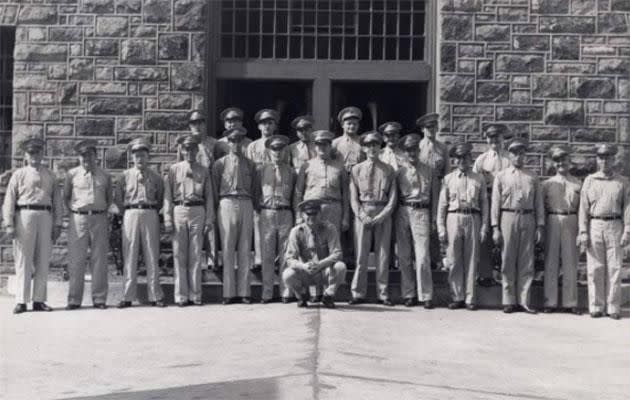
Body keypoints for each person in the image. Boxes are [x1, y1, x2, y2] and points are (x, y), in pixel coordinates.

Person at [2, 138, 62, 314]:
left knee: (43, 259)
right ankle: (21, 300)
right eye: (31, 153)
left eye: (38, 152)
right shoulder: (19, 174)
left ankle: (39, 300)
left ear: (42, 154)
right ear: (26, 156)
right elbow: (9, 201)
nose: (35, 156)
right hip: (24, 216)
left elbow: (57, 201)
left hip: (45, 215)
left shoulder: (50, 175)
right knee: (23, 259)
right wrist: (9, 224)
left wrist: (58, 223)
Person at [294, 129, 350, 302]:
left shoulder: (339, 166)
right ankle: (315, 292)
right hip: (311, 209)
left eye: (325, 144)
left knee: (330, 248)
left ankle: (328, 292)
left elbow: (346, 193)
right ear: (315, 146)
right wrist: (298, 215)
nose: (322, 148)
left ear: (330, 146)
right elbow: (298, 192)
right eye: (318, 144)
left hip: (333, 207)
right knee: (311, 248)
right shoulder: (307, 165)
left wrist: (346, 216)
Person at [491, 138, 544, 314]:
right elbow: (495, 204)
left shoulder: (533, 177)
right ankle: (508, 300)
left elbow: (539, 204)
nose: (518, 157)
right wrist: (495, 227)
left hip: (528, 218)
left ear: (525, 155)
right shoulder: (501, 176)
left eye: (522, 153)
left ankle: (523, 300)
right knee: (508, 259)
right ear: (510, 155)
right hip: (507, 217)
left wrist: (540, 226)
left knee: (526, 261)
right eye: (515, 153)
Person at [578, 143, 630, 320]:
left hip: (615, 225)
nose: (604, 160)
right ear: (597, 160)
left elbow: (627, 208)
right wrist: (583, 231)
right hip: (595, 225)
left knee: (615, 268)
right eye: (601, 157)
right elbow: (583, 209)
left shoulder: (622, 182)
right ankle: (596, 306)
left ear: (613, 159)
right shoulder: (590, 180)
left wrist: (627, 231)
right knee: (595, 268)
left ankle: (613, 307)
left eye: (608, 157)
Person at [164, 135, 215, 307]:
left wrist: (209, 219)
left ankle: (196, 295)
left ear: (197, 151)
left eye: (192, 149)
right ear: (182, 151)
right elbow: (167, 197)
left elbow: (209, 197)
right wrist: (168, 218)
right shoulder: (173, 170)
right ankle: (181, 296)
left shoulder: (204, 170)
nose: (189, 152)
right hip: (179, 209)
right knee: (179, 254)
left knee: (195, 254)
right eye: (186, 149)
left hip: (197, 210)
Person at [437, 142, 488, 311]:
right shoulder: (448, 179)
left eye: (465, 157)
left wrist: (484, 227)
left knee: (472, 259)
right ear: (454, 160)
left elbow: (484, 204)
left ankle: (470, 298)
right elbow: (442, 206)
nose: (462, 161)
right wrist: (441, 228)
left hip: (473, 217)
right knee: (454, 259)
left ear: (470, 158)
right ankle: (456, 296)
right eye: (458, 158)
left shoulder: (478, 178)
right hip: (454, 218)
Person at [116, 138, 166, 308]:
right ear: (132, 157)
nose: (140, 159)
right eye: (136, 156)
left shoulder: (156, 177)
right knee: (129, 254)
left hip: (150, 212)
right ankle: (127, 296)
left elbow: (160, 199)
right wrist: (126, 213)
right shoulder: (124, 176)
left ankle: (155, 295)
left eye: (143, 155)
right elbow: (118, 198)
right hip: (130, 213)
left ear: (148, 157)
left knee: (152, 254)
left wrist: (153, 210)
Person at [348, 132, 397, 306]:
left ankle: (382, 293)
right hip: (363, 211)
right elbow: (353, 197)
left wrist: (383, 215)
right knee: (361, 255)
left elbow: (393, 198)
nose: (372, 149)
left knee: (382, 255)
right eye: (368, 146)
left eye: (375, 145)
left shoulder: (388, 170)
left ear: (380, 147)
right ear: (363, 148)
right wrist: (361, 215)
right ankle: (357, 293)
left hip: (382, 211)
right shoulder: (356, 169)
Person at [64, 139, 113, 310]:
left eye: (90, 155)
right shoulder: (72, 175)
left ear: (96, 156)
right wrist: (75, 210)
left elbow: (110, 198)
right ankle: (74, 299)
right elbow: (66, 197)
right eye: (83, 156)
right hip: (79, 219)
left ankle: (99, 298)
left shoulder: (105, 175)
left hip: (99, 218)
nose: (87, 159)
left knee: (99, 259)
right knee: (76, 259)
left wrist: (102, 211)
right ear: (79, 157)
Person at [213, 127, 256, 304]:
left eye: (239, 141)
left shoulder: (250, 164)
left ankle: (244, 291)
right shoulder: (219, 164)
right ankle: (228, 292)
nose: (236, 144)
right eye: (232, 141)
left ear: (243, 143)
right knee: (228, 247)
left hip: (246, 201)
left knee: (245, 247)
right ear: (228, 143)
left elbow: (254, 186)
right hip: (227, 202)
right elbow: (215, 189)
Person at [254, 135, 296, 303]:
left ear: (285, 151)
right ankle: (267, 292)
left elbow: (295, 194)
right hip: (268, 212)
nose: (277, 152)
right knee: (267, 254)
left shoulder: (291, 171)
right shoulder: (260, 170)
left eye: (280, 149)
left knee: (286, 254)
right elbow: (255, 191)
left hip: (285, 213)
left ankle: (286, 291)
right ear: (269, 151)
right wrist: (262, 209)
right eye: (274, 149)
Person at [283, 199, 347, 308]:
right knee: (288, 274)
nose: (311, 217)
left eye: (314, 214)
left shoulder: (329, 228)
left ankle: (328, 295)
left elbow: (337, 253)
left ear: (320, 214)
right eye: (308, 214)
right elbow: (289, 258)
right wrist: (303, 266)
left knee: (340, 267)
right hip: (306, 271)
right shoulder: (296, 231)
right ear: (303, 215)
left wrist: (320, 264)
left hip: (324, 270)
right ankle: (302, 295)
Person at [541, 145, 582, 315]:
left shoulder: (578, 183)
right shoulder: (547, 184)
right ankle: (549, 301)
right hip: (552, 219)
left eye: (563, 160)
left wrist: (582, 230)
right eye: (557, 161)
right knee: (550, 261)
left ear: (569, 161)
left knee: (570, 261)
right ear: (553, 164)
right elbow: (541, 207)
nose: (560, 164)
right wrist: (541, 228)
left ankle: (570, 302)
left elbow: (582, 208)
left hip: (571, 219)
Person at [395, 133, 434, 308]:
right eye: (408, 150)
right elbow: (394, 196)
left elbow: (436, 196)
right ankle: (408, 293)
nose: (411, 153)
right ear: (403, 152)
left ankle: (425, 295)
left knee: (423, 255)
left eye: (414, 149)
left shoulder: (429, 170)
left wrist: (434, 219)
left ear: (419, 150)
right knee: (404, 255)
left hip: (422, 211)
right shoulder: (399, 172)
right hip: (403, 211)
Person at [247, 109, 288, 269]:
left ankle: (278, 257)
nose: (267, 127)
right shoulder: (253, 146)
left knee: (278, 227)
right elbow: (250, 171)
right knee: (258, 224)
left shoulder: (281, 145)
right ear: (259, 127)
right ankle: (259, 258)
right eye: (264, 123)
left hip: (277, 188)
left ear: (275, 126)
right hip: (260, 187)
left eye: (270, 123)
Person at [179, 110, 219, 269]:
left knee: (211, 220)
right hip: (191, 187)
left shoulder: (213, 143)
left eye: (200, 122)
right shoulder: (184, 143)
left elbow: (217, 165)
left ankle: (212, 258)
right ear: (190, 125)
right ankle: (192, 258)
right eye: (194, 123)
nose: (197, 126)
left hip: (208, 184)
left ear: (204, 125)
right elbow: (180, 166)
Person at [473, 124, 511, 286]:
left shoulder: (509, 158)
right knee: (485, 237)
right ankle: (485, 274)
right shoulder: (481, 160)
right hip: (487, 199)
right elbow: (475, 182)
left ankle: (506, 275)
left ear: (502, 138)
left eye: (497, 137)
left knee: (506, 237)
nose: (494, 140)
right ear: (487, 139)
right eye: (491, 137)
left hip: (505, 201)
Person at [416, 112, 449, 271]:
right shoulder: (417, 146)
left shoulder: (442, 148)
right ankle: (419, 260)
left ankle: (435, 259)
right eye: (428, 127)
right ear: (423, 129)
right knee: (420, 221)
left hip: (437, 186)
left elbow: (448, 173)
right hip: (421, 187)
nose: (431, 130)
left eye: (434, 127)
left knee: (436, 221)